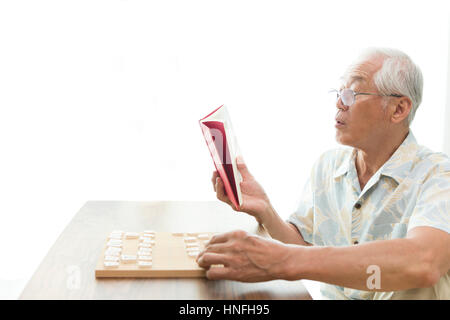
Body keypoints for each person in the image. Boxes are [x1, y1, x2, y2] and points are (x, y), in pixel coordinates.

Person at [196, 47, 450, 299]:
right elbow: (303, 248)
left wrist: (283, 260)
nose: (340, 103)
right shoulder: (328, 166)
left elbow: (424, 262)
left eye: (352, 94)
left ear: (398, 109)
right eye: (339, 92)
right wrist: (265, 210)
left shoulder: (438, 175)